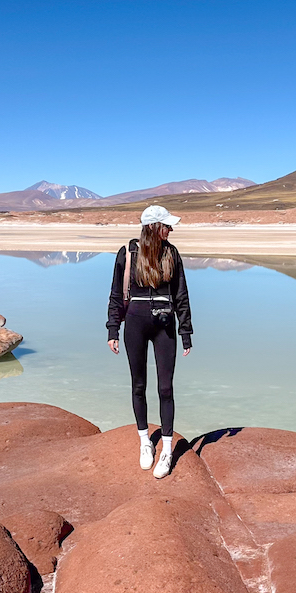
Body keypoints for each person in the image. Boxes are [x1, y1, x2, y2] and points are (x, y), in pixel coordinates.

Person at [106, 204, 193, 478]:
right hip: (135, 324)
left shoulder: (172, 253)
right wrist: (113, 329)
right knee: (139, 385)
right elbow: (116, 295)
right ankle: (145, 442)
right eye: (167, 225)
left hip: (165, 325)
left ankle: (166, 449)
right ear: (155, 227)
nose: (171, 229)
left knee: (166, 388)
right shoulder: (129, 252)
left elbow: (181, 294)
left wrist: (186, 331)